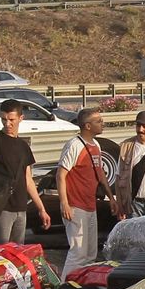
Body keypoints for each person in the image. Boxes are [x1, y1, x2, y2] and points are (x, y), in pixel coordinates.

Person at [0, 99, 51, 242]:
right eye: (3, 119)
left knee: (17, 254)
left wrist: (41, 209)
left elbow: (28, 180)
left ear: (21, 118)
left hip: (20, 206)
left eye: (11, 119)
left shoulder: (23, 146)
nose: (7, 124)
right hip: (1, 207)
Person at [57, 108, 115, 278]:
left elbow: (101, 174)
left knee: (90, 253)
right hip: (76, 206)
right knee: (78, 252)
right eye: (98, 121)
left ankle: (83, 286)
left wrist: (111, 197)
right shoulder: (74, 145)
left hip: (90, 205)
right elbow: (61, 174)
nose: (102, 123)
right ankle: (64, 287)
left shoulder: (95, 145)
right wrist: (64, 203)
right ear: (87, 126)